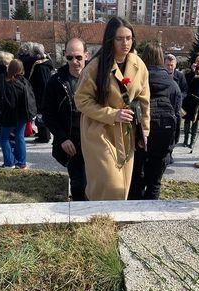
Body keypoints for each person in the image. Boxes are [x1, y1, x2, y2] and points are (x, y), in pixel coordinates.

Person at [74, 16, 150, 200]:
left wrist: (144, 131)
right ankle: (97, 219)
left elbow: (144, 99)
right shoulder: (95, 67)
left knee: (123, 184)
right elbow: (81, 100)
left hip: (126, 132)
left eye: (129, 38)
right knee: (108, 183)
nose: (125, 43)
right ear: (111, 39)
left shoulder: (138, 64)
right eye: (120, 38)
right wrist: (112, 114)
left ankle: (114, 221)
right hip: (99, 132)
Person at [129, 42, 181, 200]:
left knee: (135, 180)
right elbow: (177, 117)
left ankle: (132, 213)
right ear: (161, 60)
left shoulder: (136, 82)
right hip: (163, 141)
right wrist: (171, 147)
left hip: (139, 140)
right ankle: (149, 215)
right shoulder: (173, 86)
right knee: (155, 183)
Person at [43, 38, 89, 201]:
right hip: (72, 142)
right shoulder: (56, 81)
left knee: (97, 183)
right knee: (79, 184)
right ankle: (79, 216)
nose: (74, 62)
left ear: (86, 55)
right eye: (69, 58)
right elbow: (48, 114)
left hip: (94, 140)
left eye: (78, 57)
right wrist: (62, 138)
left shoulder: (96, 77)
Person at [0, 59, 37, 169]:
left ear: (9, 69)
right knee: (19, 137)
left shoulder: (9, 83)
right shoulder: (25, 81)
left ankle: (9, 162)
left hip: (11, 115)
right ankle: (21, 163)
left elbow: (9, 103)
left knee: (4, 137)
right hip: (24, 115)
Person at [28, 43, 54, 143]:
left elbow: (43, 83)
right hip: (41, 93)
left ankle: (45, 136)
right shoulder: (42, 64)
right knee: (40, 115)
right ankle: (42, 133)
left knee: (41, 114)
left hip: (41, 94)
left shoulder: (41, 66)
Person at [181, 53, 199, 148]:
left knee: (196, 120)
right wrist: (192, 71)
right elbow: (187, 83)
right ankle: (185, 139)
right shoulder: (188, 72)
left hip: (198, 100)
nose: (198, 62)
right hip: (189, 99)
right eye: (197, 60)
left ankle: (192, 141)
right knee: (187, 119)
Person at [164, 53, 187, 147]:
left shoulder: (180, 76)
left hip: (176, 107)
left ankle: (172, 145)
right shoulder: (161, 75)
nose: (170, 67)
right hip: (164, 107)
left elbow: (185, 90)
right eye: (167, 65)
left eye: (171, 65)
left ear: (175, 65)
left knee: (175, 129)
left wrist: (178, 98)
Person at [0, 51, 14, 134]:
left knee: (0, 113)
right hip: (2, 96)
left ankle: (0, 127)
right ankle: (2, 129)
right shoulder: (2, 72)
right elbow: (1, 86)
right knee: (3, 113)